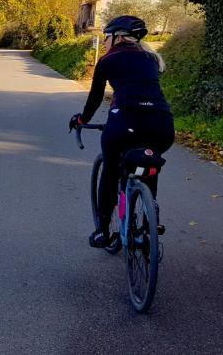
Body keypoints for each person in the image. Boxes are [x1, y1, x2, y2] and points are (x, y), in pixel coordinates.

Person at [68, 15, 175, 248]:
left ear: (116, 37)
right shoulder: (151, 59)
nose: (104, 42)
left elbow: (95, 99)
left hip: (125, 123)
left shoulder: (108, 60)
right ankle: (151, 214)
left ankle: (103, 231)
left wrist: (81, 119)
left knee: (110, 170)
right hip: (162, 125)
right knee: (149, 163)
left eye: (106, 37)